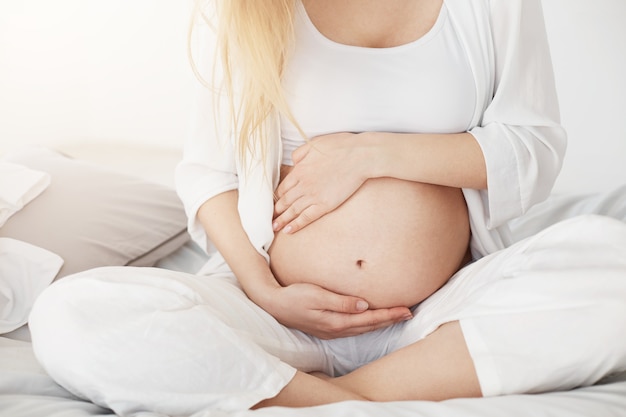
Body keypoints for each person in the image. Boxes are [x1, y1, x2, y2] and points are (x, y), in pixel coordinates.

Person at [29, 0, 626, 415]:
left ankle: (310, 397)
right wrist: (264, 291)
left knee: (613, 260)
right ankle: (343, 404)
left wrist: (369, 156)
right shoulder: (246, 10)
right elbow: (209, 172)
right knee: (70, 312)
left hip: (432, 320)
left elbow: (534, 146)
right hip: (278, 317)